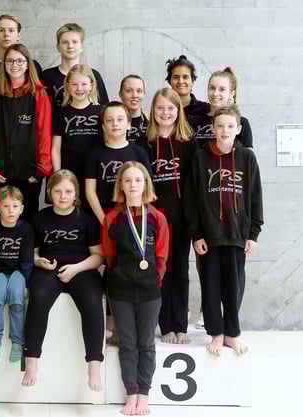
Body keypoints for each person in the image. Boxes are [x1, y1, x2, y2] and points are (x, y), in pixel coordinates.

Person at [185, 105, 263, 356]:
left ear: (239, 129)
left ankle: (232, 333)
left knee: (234, 287)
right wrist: (197, 234)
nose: (225, 130)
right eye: (220, 125)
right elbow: (191, 198)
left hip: (237, 235)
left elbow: (255, 198)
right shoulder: (200, 157)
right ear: (213, 129)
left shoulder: (247, 158)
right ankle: (216, 333)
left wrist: (253, 234)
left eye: (230, 126)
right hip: (209, 236)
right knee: (211, 286)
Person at [22, 170, 104, 392]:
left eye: (68, 191)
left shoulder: (86, 219)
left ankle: (94, 366)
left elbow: (99, 256)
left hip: (82, 268)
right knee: (38, 297)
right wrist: (39, 262)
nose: (63, 196)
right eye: (58, 191)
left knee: (92, 300)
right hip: (49, 268)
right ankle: (31, 362)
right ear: (49, 192)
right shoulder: (39, 218)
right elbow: (32, 253)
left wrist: (76, 268)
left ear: (76, 193)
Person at [102, 161, 169, 416]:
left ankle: (144, 394)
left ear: (146, 184)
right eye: (127, 180)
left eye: (138, 180)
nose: (133, 185)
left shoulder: (157, 218)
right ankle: (131, 392)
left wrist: (152, 279)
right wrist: (119, 276)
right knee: (128, 343)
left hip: (150, 290)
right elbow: (109, 254)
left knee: (147, 344)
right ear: (120, 185)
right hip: (120, 292)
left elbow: (161, 256)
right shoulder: (112, 218)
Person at [139, 88, 196, 344]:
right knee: (160, 272)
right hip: (154, 221)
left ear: (178, 111)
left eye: (171, 108)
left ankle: (180, 325)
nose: (165, 113)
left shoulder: (188, 142)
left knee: (180, 272)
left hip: (181, 219)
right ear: (153, 111)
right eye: (160, 108)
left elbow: (193, 184)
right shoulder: (144, 142)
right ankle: (165, 326)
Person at [0, 43, 52, 221]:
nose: (15, 65)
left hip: (29, 174)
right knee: (0, 223)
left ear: (27, 65)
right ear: (4, 65)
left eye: (20, 61)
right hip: (1, 175)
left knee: (27, 223)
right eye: (10, 61)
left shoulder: (39, 94)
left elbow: (44, 133)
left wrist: (41, 171)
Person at [0, 185, 34, 362]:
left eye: (15, 206)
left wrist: (27, 284)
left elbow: (27, 259)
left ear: (21, 209)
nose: (11, 211)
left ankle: (17, 342)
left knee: (16, 295)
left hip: (18, 272)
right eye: (6, 206)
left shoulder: (25, 229)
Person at [85, 101, 151, 226]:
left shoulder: (139, 152)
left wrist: (139, 217)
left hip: (135, 217)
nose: (115, 123)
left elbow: (148, 187)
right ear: (103, 127)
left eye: (120, 119)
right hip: (104, 216)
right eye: (109, 120)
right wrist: (105, 221)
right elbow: (90, 191)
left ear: (129, 124)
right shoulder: (94, 154)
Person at [52, 64, 102, 207]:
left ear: (91, 85)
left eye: (84, 84)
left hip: (95, 172)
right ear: (68, 86)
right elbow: (56, 149)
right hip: (70, 173)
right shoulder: (60, 114)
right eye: (74, 84)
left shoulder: (101, 112)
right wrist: (58, 176)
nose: (79, 88)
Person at [41, 23, 109, 114]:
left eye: (74, 42)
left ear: (82, 46)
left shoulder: (94, 75)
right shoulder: (47, 76)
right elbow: (41, 110)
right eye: (65, 42)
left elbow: (105, 109)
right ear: (58, 47)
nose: (70, 46)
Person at [0, 14, 43, 95]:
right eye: (1, 30)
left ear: (18, 36)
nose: (6, 34)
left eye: (11, 30)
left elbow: (40, 96)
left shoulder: (33, 66)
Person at [188, 67, 253, 148]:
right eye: (212, 88)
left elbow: (248, 155)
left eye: (222, 89)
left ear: (231, 93)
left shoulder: (241, 122)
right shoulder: (193, 122)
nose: (215, 93)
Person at [165, 55, 210, 120]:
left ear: (192, 81)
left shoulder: (206, 109)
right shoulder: (163, 109)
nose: (180, 81)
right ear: (169, 81)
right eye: (176, 77)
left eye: (185, 77)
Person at [119, 75, 148, 144]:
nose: (135, 95)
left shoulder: (151, 124)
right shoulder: (113, 123)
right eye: (129, 91)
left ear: (144, 94)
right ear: (120, 94)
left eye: (139, 91)